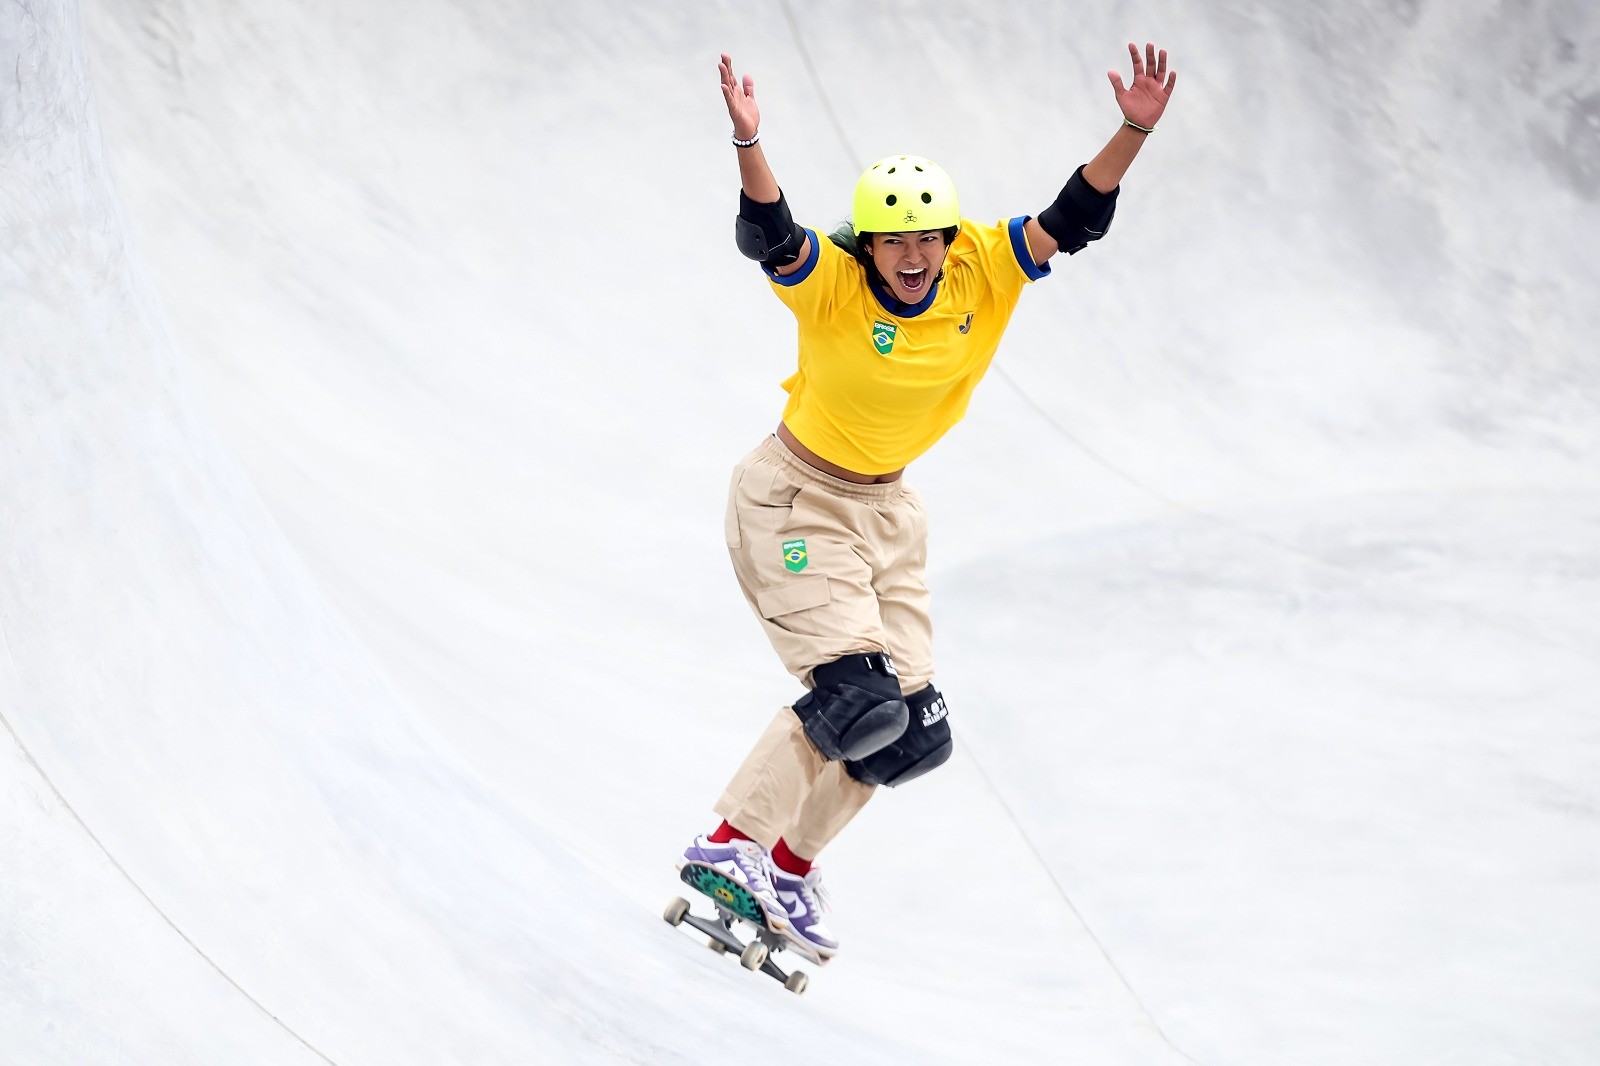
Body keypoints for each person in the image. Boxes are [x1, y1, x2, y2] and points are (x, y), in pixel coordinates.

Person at [679, 45, 1178, 961]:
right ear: (867, 245)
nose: (911, 259)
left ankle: (788, 864)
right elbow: (771, 234)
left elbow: (1077, 215)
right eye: (892, 243)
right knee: (853, 695)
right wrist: (749, 140)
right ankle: (727, 845)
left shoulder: (983, 269)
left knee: (908, 732)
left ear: (947, 239)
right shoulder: (829, 287)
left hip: (887, 517)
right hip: (795, 501)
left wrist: (1134, 126)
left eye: (925, 240)